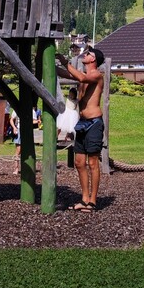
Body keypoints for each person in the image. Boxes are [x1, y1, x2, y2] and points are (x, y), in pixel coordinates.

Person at [56, 45, 105, 211]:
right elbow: (69, 74)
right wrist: (51, 65)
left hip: (94, 123)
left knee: (92, 163)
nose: (86, 54)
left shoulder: (97, 75)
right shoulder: (83, 75)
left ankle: (92, 201)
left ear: (93, 59)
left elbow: (82, 79)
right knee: (79, 162)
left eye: (88, 53)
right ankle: (84, 199)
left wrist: (65, 62)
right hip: (82, 122)